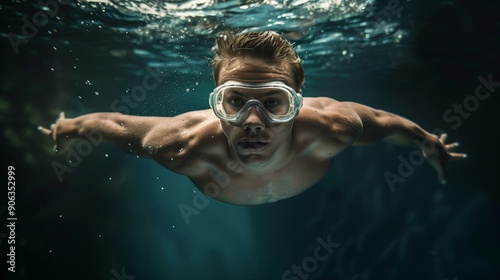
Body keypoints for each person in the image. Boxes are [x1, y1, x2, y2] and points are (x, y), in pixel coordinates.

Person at [38, 31, 466, 205]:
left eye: (274, 103)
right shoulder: (182, 147)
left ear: (297, 101)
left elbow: (384, 122)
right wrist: (70, 127)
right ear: (215, 105)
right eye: (235, 101)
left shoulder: (333, 128)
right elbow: (112, 126)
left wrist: (429, 143)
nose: (253, 120)